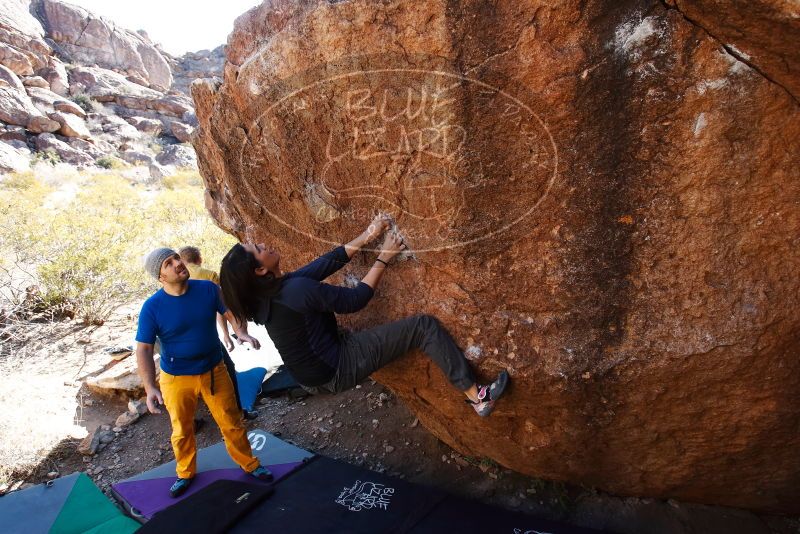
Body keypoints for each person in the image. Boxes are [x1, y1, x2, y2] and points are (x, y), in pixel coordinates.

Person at [219, 215, 509, 417]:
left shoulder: (269, 294)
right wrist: (384, 255)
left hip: (311, 374)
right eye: (258, 249)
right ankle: (477, 396)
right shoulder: (295, 291)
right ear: (259, 270)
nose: (263, 244)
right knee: (424, 327)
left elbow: (323, 265)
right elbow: (356, 299)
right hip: (335, 369)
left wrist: (369, 234)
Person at [135, 247, 273, 498]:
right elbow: (143, 349)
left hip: (214, 370)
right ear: (161, 277)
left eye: (176, 257)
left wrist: (240, 332)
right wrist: (149, 387)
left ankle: (250, 464)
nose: (177, 263)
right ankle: (185, 473)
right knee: (182, 429)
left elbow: (230, 312)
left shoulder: (207, 289)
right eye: (168, 263)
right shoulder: (152, 307)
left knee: (231, 421)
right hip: (175, 378)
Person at [178, 245, 256, 420]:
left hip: (180, 345)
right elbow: (221, 309)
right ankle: (238, 412)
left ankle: (206, 415)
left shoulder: (171, 285)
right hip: (206, 339)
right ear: (199, 259)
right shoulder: (209, 276)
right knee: (226, 370)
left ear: (182, 260)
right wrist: (227, 334)